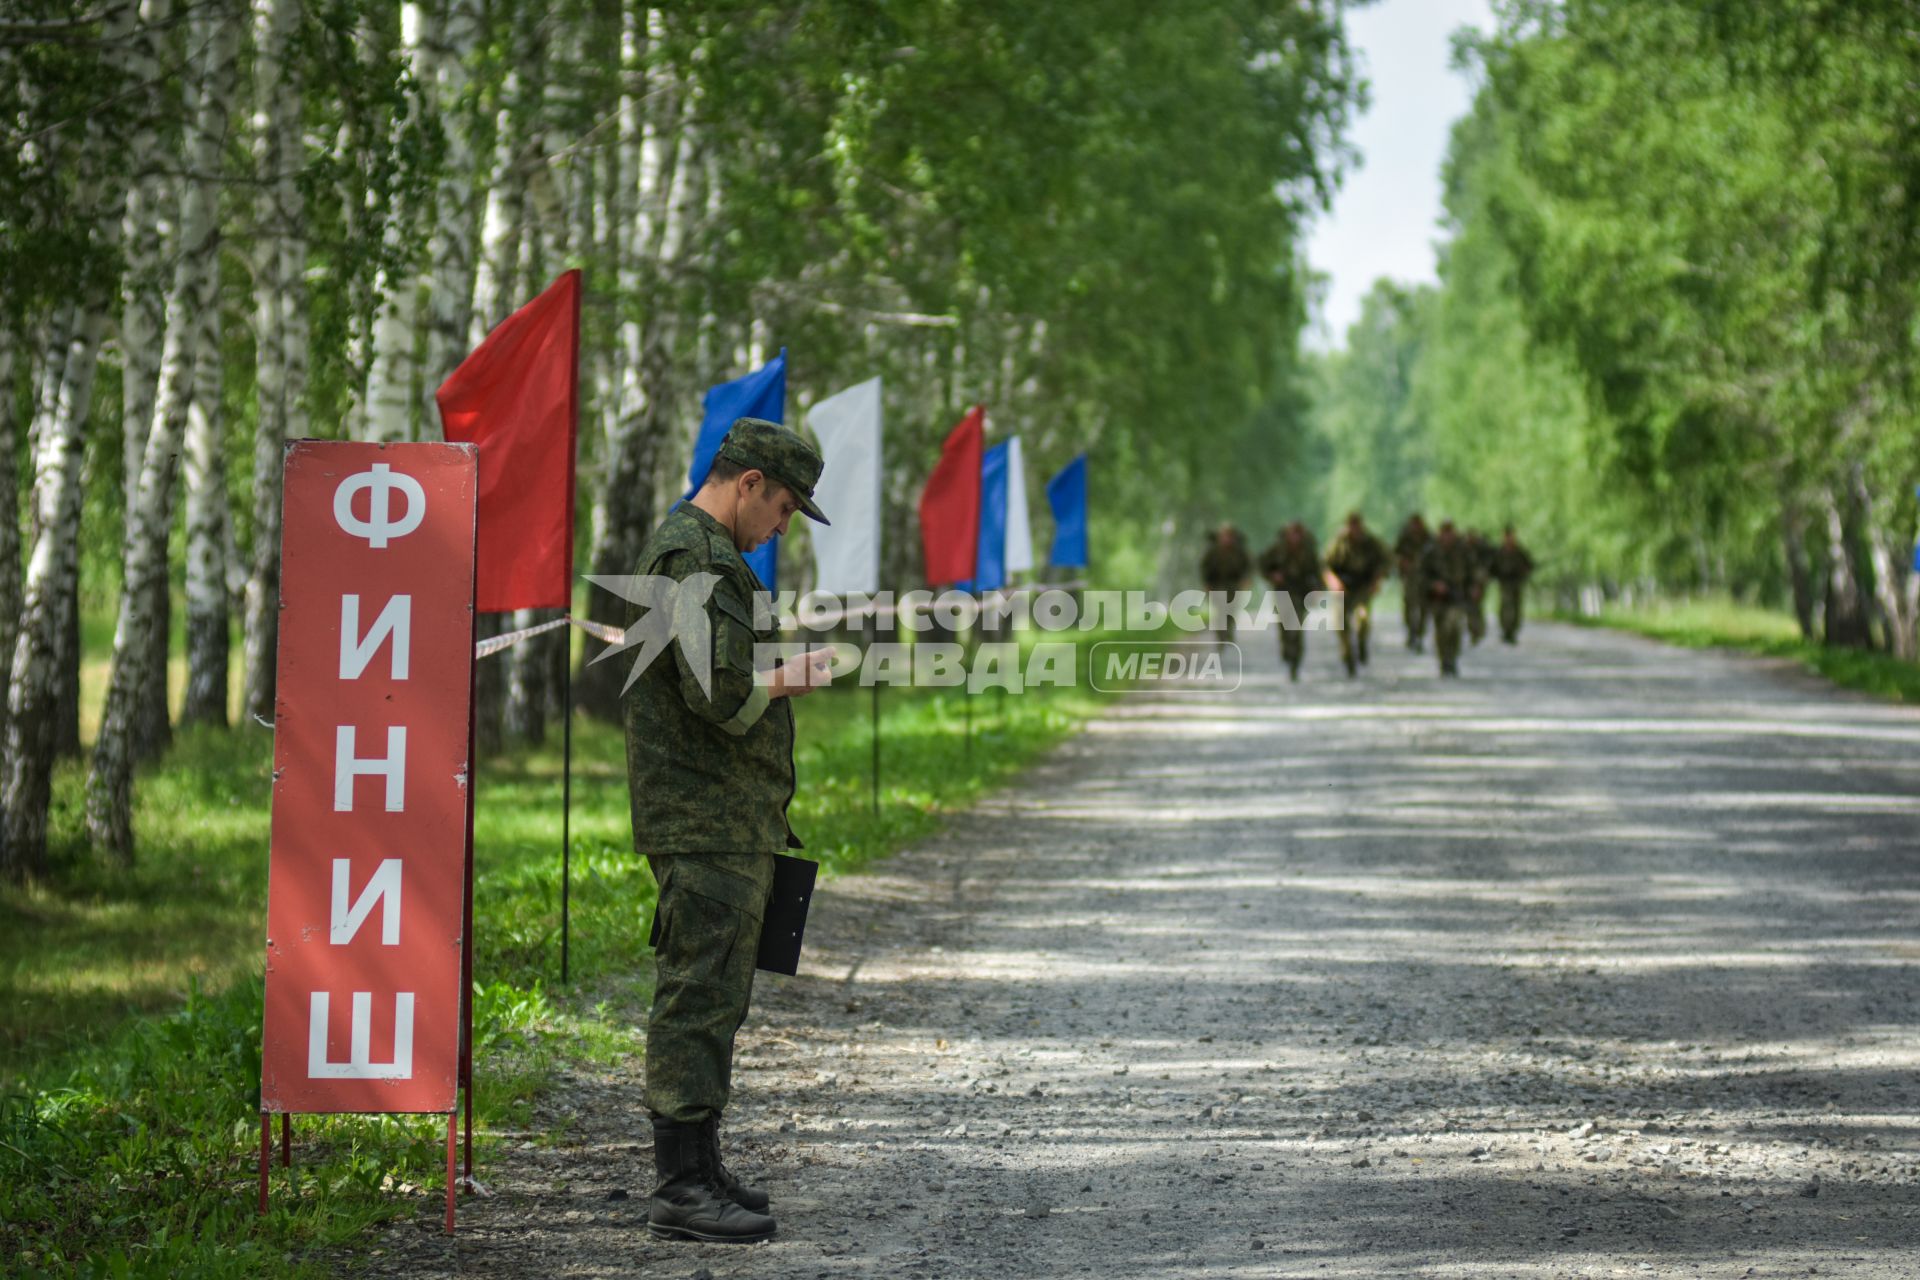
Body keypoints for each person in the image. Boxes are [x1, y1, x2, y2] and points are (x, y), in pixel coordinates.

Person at [623, 417, 837, 1244]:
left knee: (718, 992)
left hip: (723, 814)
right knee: (698, 991)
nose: (781, 526)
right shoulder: (694, 558)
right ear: (747, 482)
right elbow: (717, 694)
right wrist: (791, 677)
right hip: (701, 815)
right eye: (782, 507)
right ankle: (679, 1186)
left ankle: (701, 1164)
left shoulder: (714, 558)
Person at [1323, 511, 1392, 677]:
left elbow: (1386, 561)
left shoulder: (1371, 543)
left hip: (1362, 588)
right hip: (1343, 588)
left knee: (1362, 619)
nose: (1354, 528)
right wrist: (1333, 582)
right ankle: (1348, 658)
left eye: (1356, 525)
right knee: (1341, 625)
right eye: (1350, 525)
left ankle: (1361, 645)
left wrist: (1377, 580)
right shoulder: (1339, 544)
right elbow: (1325, 566)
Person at [1259, 521, 1321, 681]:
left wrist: (1317, 589)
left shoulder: (1308, 551)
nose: (1295, 537)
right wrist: (1273, 575)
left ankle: (1295, 662)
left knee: (1297, 627)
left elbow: (1318, 571)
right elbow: (1262, 564)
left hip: (1301, 593)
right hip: (1283, 591)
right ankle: (1287, 650)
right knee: (1285, 626)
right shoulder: (1277, 549)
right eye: (1292, 534)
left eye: (1297, 534)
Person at [1421, 520, 1476, 677]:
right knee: (1442, 630)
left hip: (1457, 596)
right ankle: (1444, 659)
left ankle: (1452, 658)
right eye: (1444, 532)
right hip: (1438, 598)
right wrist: (1434, 585)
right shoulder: (1431, 552)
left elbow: (1473, 571)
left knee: (1456, 627)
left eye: (1449, 532)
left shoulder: (1463, 551)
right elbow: (1421, 575)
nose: (1447, 536)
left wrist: (1474, 587)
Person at [1200, 524, 1253, 644]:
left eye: (1229, 536)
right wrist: (1207, 583)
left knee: (1231, 609)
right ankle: (1221, 634)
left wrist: (1246, 579)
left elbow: (1248, 566)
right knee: (1220, 609)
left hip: (1234, 584)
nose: (1226, 539)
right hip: (1217, 584)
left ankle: (1229, 631)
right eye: (1224, 536)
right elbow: (1205, 568)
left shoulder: (1239, 552)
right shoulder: (1212, 552)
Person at [1491, 524, 1535, 643]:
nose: (1509, 538)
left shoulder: (1519, 551)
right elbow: (1493, 567)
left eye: (1511, 536)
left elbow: (1529, 564)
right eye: (1507, 536)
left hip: (1516, 583)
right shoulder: (1500, 552)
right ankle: (1506, 630)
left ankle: (1513, 631)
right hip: (1505, 583)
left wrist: (1525, 571)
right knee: (1506, 607)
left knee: (1516, 607)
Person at [1395, 513, 1431, 652]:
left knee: (1424, 608)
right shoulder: (1405, 538)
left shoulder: (1428, 538)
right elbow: (1396, 554)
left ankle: (1419, 634)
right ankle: (1412, 632)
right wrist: (1402, 563)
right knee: (1409, 606)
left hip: (1424, 579)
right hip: (1409, 578)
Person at [1463, 528, 1494, 646]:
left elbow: (1488, 564)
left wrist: (1479, 584)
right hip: (1468, 583)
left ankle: (1478, 630)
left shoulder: (1482, 550)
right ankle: (1474, 631)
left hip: (1480, 581)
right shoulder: (1463, 550)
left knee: (1476, 606)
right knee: (1471, 607)